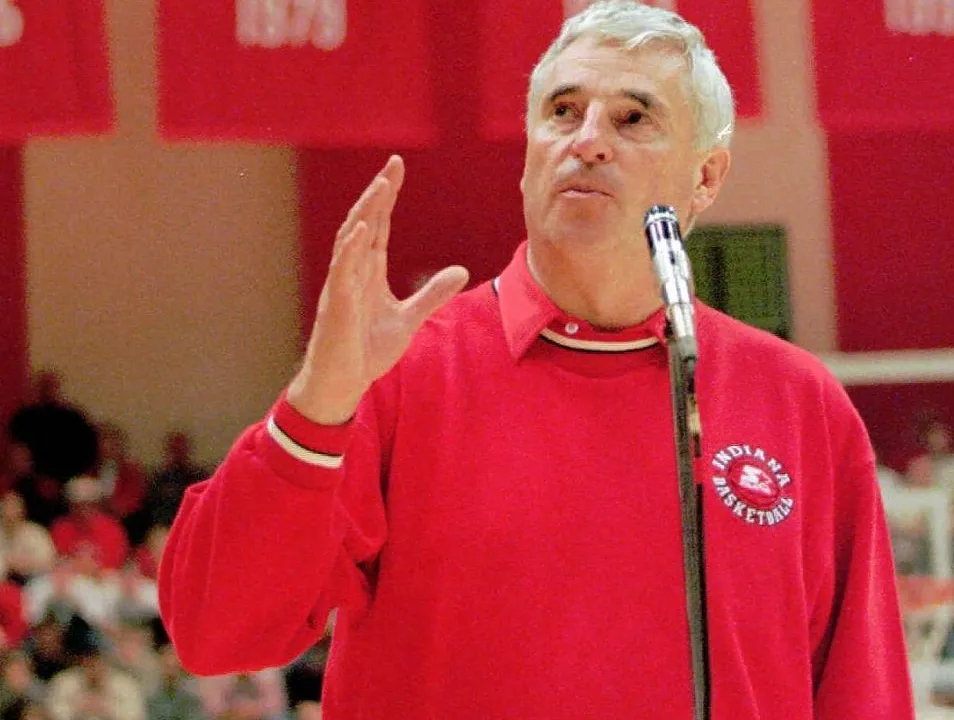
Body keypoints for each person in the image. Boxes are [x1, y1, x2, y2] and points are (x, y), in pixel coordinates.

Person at [157, 2, 912, 718]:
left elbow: (862, 695)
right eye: (561, 111)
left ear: (706, 178)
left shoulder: (799, 403)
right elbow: (211, 630)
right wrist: (315, 408)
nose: (586, 139)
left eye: (633, 117)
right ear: (527, 157)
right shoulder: (402, 375)